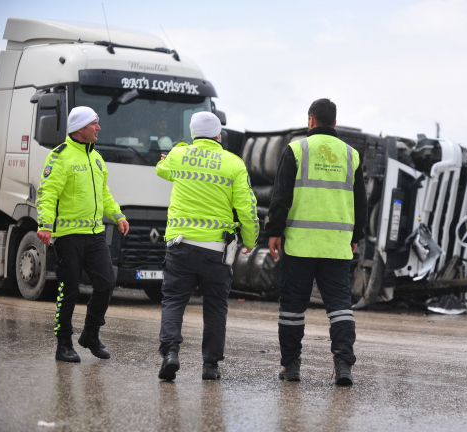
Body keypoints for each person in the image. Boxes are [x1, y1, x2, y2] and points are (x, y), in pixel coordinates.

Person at [266, 98, 367, 386]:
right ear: (334, 122)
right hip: (337, 247)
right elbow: (361, 203)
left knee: (292, 309)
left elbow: (281, 196)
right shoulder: (351, 155)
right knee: (340, 307)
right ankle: (344, 364)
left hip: (300, 244)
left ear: (310, 120)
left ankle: (292, 365)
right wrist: (356, 236)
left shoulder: (297, 149)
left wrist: (274, 231)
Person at [155, 111, 259, 381]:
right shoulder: (233, 163)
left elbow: (160, 169)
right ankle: (210, 366)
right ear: (219, 134)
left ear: (192, 133)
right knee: (215, 307)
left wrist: (179, 148)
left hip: (180, 245)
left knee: (174, 301)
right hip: (217, 251)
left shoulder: (179, 156)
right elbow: (247, 209)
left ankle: (170, 353)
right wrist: (250, 240)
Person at [36, 106, 130, 363]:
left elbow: (104, 193)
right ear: (80, 128)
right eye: (94, 124)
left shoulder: (96, 158)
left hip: (95, 235)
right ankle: (63, 344)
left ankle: (90, 334)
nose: (99, 128)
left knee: (106, 284)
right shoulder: (60, 156)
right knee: (70, 291)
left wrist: (118, 215)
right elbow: (47, 193)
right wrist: (45, 224)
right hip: (68, 236)